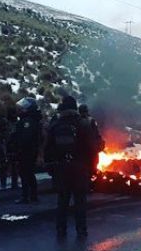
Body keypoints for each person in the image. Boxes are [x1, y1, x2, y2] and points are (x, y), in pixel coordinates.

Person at [45, 96, 94, 239]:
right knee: (80, 202)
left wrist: (51, 168)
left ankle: (61, 229)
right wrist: (91, 168)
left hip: (61, 169)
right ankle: (81, 230)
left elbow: (48, 149)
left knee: (62, 201)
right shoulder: (83, 124)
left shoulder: (55, 125)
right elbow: (91, 149)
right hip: (79, 169)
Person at [10, 97, 42, 204]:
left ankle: (26, 196)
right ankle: (33, 195)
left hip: (26, 151)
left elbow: (25, 138)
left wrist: (18, 147)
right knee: (29, 173)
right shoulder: (30, 120)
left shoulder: (28, 122)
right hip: (29, 150)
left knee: (25, 173)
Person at [0, 109, 18, 190]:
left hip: (11, 146)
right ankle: (4, 184)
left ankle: (13, 184)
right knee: (5, 165)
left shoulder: (15, 123)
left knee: (13, 165)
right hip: (4, 146)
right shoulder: (2, 122)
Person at [79, 104, 105, 175]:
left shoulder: (76, 121)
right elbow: (97, 136)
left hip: (79, 154)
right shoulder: (91, 121)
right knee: (92, 172)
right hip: (91, 152)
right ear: (87, 111)